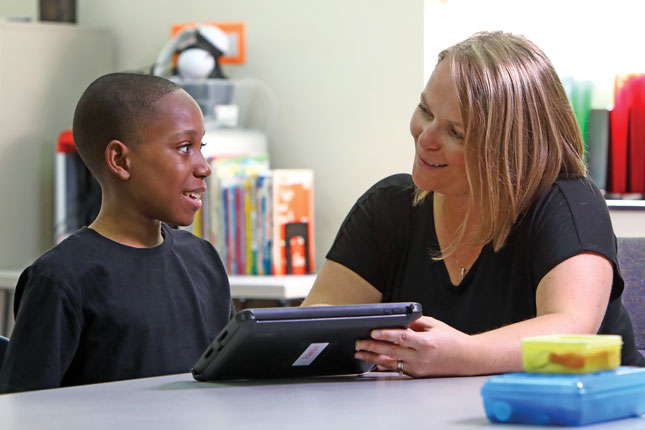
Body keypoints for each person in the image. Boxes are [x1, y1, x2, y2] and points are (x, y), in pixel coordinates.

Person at [302, 31, 645, 376]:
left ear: (511, 149)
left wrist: (462, 354)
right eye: (425, 110)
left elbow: (570, 329)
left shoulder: (568, 203)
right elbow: (310, 329)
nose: (426, 137)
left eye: (456, 133)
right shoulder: (388, 207)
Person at [0, 73, 234, 393]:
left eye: (200, 146)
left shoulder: (203, 259)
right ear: (120, 160)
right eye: (183, 147)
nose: (204, 166)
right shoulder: (61, 278)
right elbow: (22, 407)